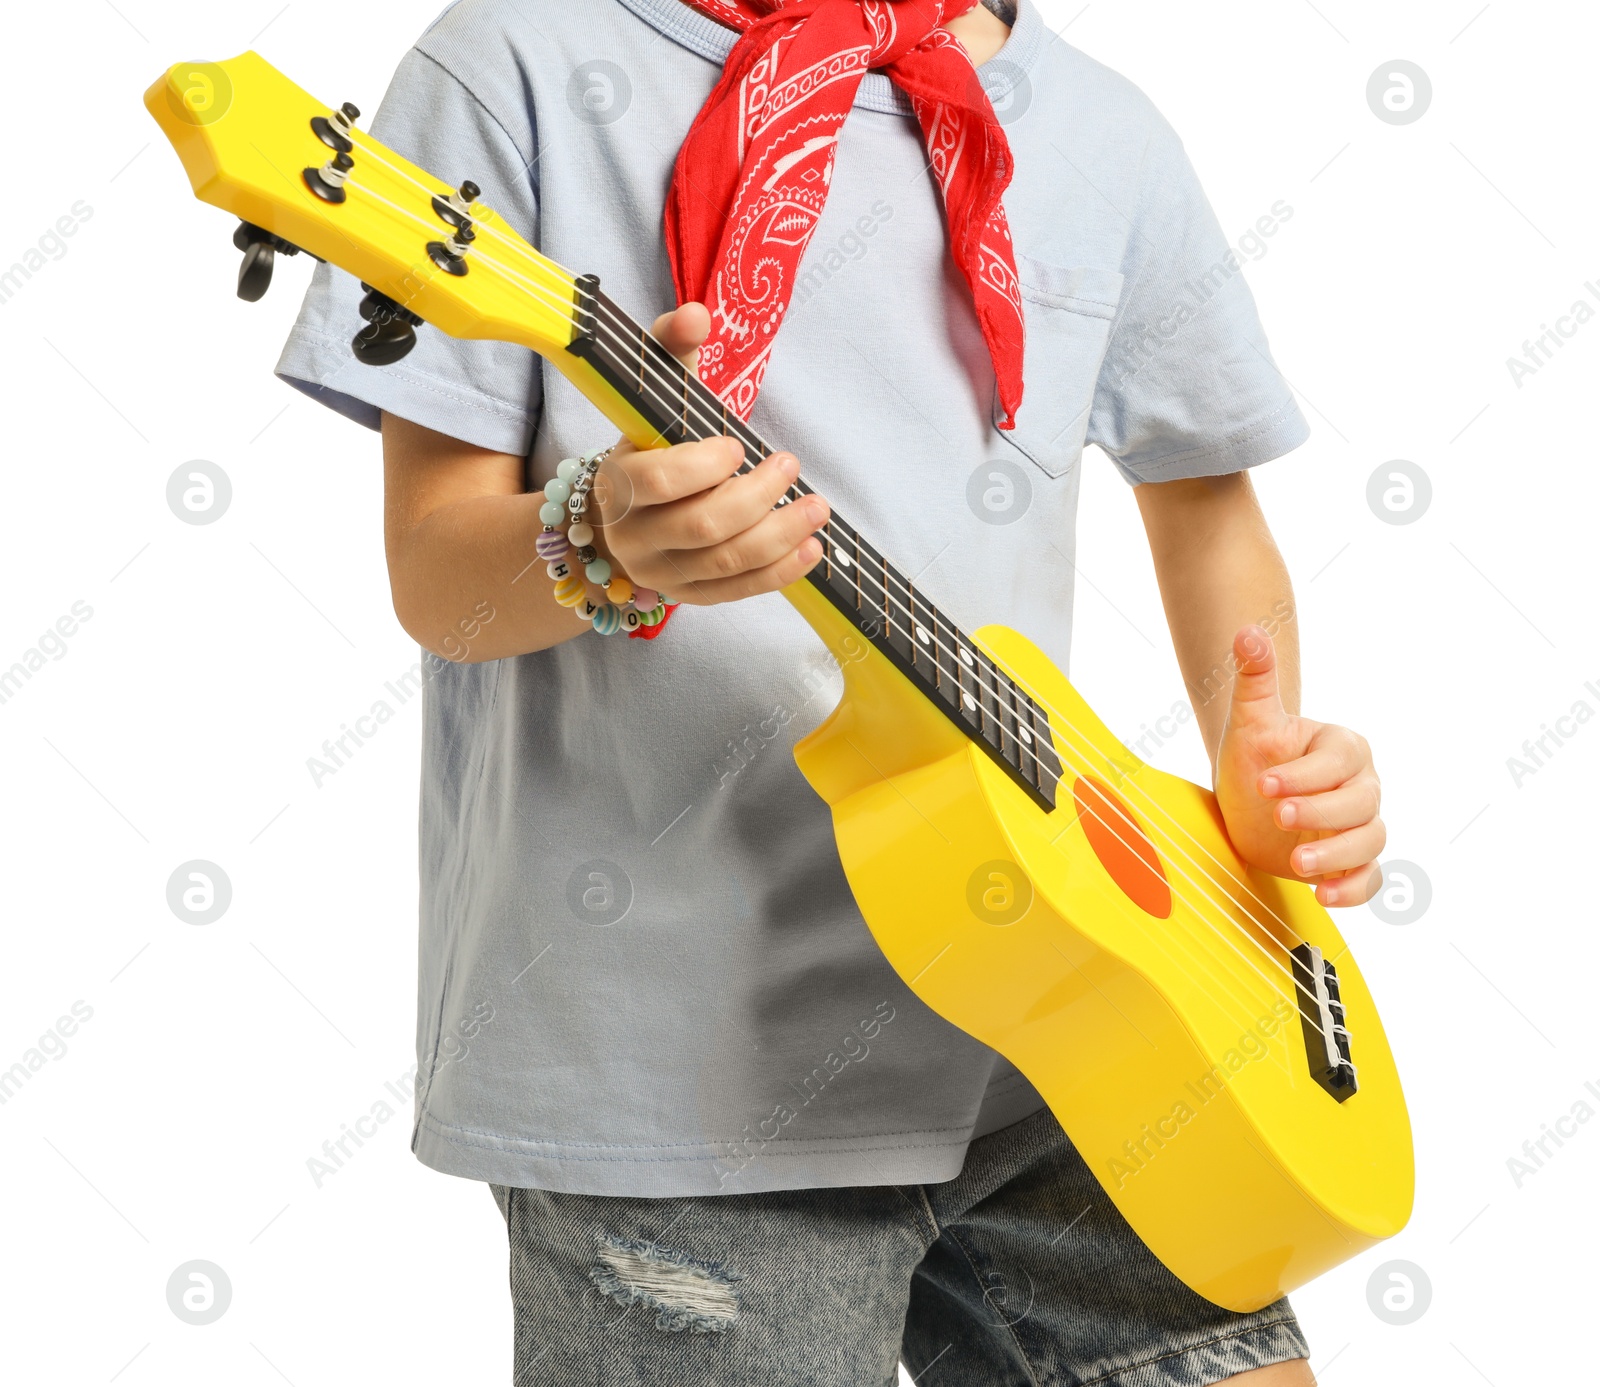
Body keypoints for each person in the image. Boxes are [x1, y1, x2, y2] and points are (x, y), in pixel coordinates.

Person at [278, 1, 1382, 1381]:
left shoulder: (1103, 129)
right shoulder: (517, 62)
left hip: (1076, 1026)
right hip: (681, 1081)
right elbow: (439, 580)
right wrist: (600, 534)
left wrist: (1257, 763)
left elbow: (1208, 506)